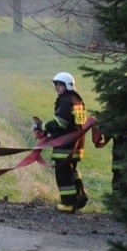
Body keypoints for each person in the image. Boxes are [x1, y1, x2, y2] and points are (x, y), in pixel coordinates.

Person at [40, 72, 90, 213]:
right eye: (56, 85)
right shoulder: (77, 100)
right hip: (76, 145)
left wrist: (43, 126)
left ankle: (68, 204)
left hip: (65, 146)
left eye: (60, 85)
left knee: (62, 174)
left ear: (67, 85)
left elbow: (61, 123)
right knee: (72, 171)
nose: (57, 87)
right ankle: (80, 197)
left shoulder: (65, 100)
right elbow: (76, 124)